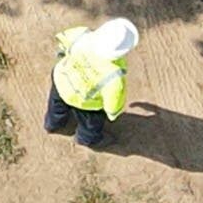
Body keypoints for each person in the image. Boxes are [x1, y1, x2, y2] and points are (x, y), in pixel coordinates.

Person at [44, 16, 138, 149]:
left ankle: (52, 125)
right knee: (90, 125)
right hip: (86, 102)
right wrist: (112, 114)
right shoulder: (114, 75)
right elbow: (113, 103)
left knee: (56, 106)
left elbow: (63, 42)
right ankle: (86, 139)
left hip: (61, 80)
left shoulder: (82, 35)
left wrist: (62, 56)